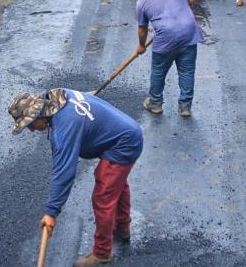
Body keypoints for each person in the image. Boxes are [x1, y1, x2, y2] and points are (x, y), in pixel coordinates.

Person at [8, 88, 144, 266]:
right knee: (116, 185)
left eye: (30, 124)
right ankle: (121, 230)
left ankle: (103, 253)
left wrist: (51, 212)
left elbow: (64, 173)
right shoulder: (55, 96)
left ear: (38, 115)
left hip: (124, 143)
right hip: (125, 129)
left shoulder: (64, 130)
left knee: (103, 196)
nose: (32, 130)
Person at [134, 0, 202, 117]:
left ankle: (155, 103)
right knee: (187, 71)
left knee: (158, 70)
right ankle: (185, 107)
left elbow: (142, 28)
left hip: (166, 38)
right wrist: (182, 9)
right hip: (188, 32)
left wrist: (141, 45)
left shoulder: (142, 1)